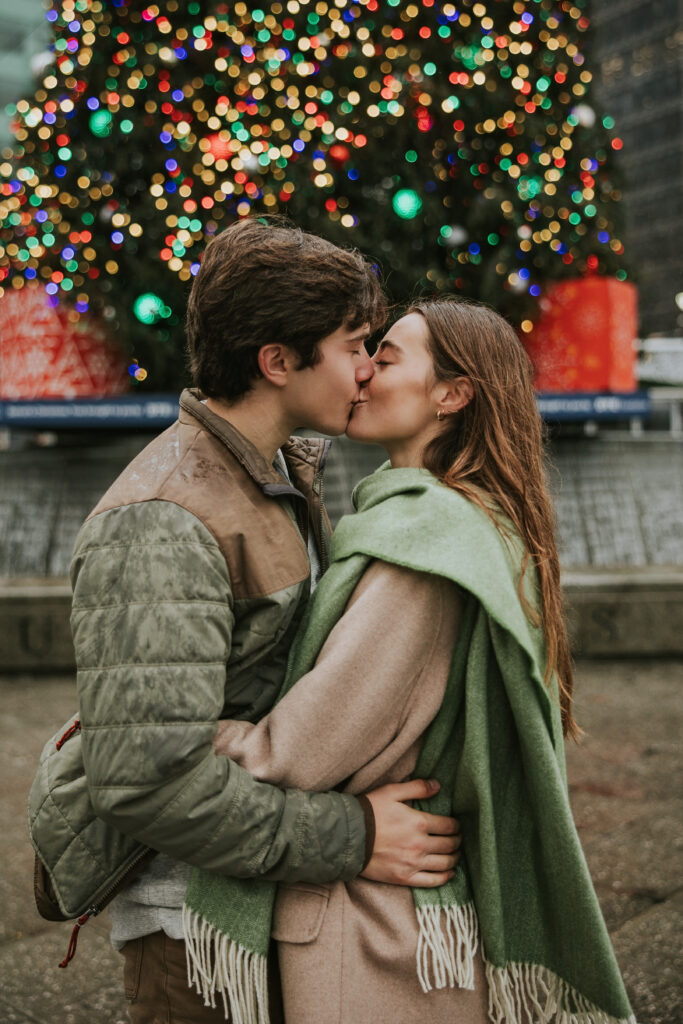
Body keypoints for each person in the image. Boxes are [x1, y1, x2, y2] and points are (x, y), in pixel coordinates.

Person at [65, 222, 462, 1024]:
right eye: (354, 344)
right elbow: (144, 783)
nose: (367, 368)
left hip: (250, 905)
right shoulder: (162, 521)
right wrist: (352, 837)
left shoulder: (280, 470)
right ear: (278, 362)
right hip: (189, 933)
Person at [208, 299, 635, 1024]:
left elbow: (290, 756)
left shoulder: (425, 550)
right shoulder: (456, 523)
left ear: (452, 394)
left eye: (391, 356)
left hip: (372, 938)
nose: (365, 370)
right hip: (409, 924)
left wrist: (178, 737)